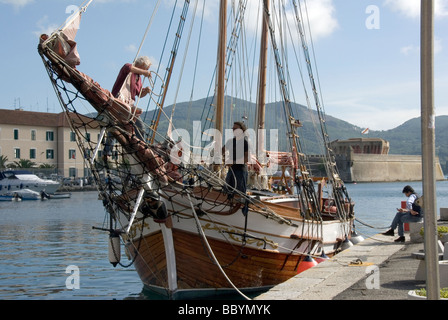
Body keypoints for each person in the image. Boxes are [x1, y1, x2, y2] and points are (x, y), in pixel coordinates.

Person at [104, 56, 152, 156]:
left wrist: (146, 91)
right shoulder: (128, 68)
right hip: (119, 101)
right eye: (146, 68)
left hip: (129, 105)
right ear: (142, 65)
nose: (147, 71)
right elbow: (128, 68)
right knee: (114, 125)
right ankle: (107, 153)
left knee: (140, 127)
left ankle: (140, 150)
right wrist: (144, 73)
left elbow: (139, 94)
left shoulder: (138, 79)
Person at [222, 121, 249, 194]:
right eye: (233, 129)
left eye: (235, 129)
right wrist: (224, 159)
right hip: (231, 171)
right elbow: (222, 150)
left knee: (239, 194)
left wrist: (233, 162)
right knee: (227, 192)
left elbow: (246, 158)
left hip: (240, 171)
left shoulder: (245, 142)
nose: (233, 130)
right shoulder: (230, 141)